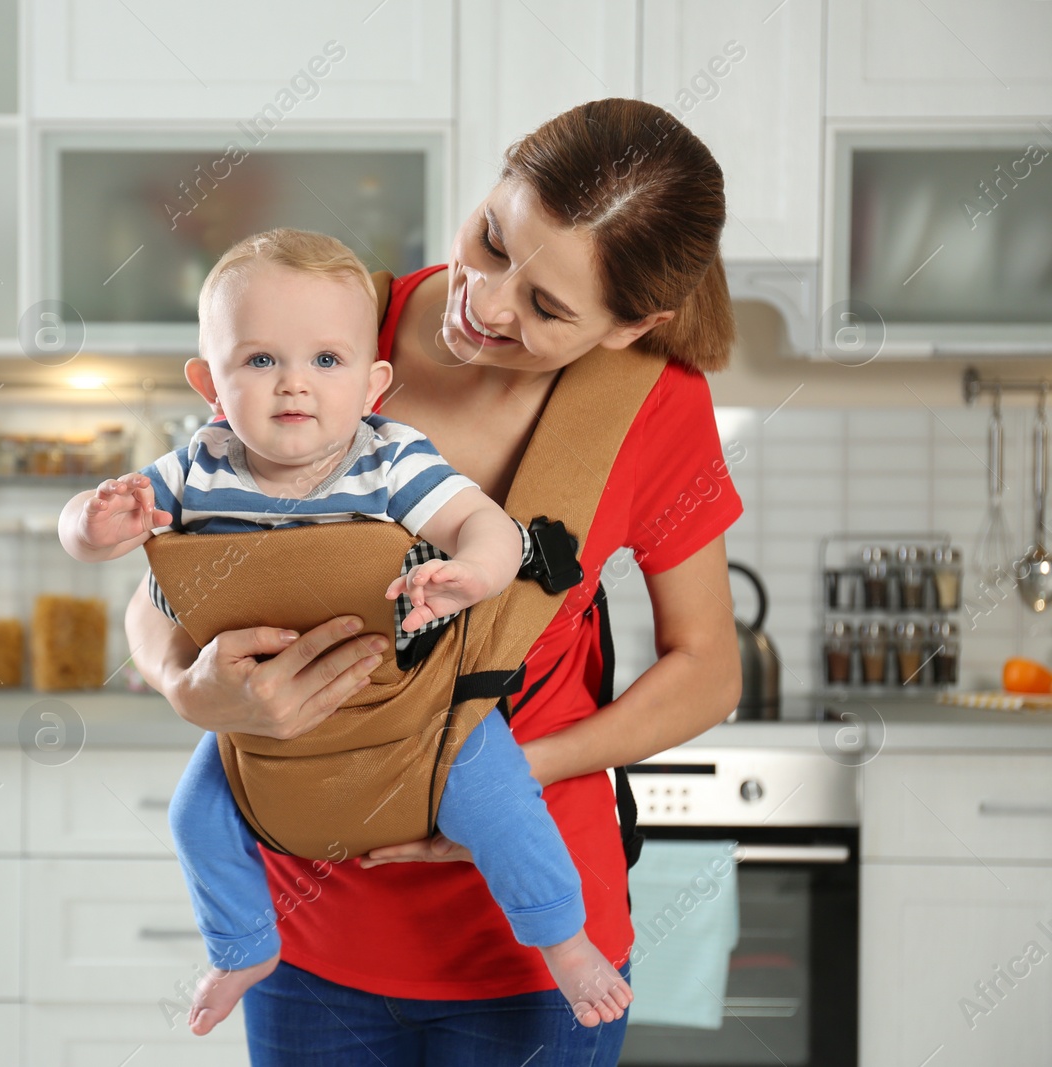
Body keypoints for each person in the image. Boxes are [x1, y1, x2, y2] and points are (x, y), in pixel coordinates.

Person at [124, 97, 745, 1066]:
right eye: (491, 240)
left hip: (525, 953)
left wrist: (503, 779)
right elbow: (177, 573)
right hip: (308, 935)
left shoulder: (654, 406)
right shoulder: (317, 323)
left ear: (632, 326)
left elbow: (707, 666)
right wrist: (186, 684)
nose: (488, 302)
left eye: (546, 308)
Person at [58, 228, 635, 1037]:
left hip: (417, 710)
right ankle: (244, 946)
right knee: (196, 813)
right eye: (260, 360)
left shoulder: (390, 458)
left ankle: (565, 945)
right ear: (208, 383)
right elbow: (95, 548)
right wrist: (93, 522)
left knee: (503, 801)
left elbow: (488, 525)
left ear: (373, 383)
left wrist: (472, 571)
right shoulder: (197, 466)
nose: (294, 383)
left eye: (326, 361)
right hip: (263, 723)